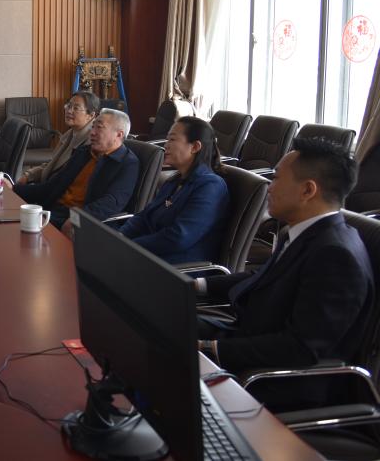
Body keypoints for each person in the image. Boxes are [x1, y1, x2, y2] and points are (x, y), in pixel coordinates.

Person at [196, 138, 373, 409]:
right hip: (251, 336)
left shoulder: (336, 255)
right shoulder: (307, 232)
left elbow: (299, 348)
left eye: (277, 178)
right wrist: (199, 285)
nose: (269, 186)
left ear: (307, 190)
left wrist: (210, 349)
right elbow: (264, 278)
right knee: (168, 317)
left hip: (278, 382)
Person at [119, 117, 229, 263]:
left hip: (179, 266)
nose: (166, 145)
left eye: (172, 139)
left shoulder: (210, 186)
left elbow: (178, 237)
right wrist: (120, 237)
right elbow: (144, 217)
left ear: (195, 147)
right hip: (152, 255)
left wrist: (132, 246)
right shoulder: (174, 181)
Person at [13, 109, 138, 232]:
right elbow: (53, 185)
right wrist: (14, 189)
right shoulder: (84, 152)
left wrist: (77, 218)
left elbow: (111, 203)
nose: (92, 133)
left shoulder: (127, 164)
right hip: (53, 211)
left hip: (81, 223)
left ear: (119, 134)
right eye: (93, 127)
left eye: (99, 128)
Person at [18, 91, 100, 184]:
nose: (69, 111)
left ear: (91, 115)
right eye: (68, 106)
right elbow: (51, 165)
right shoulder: (70, 133)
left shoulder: (90, 143)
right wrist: (28, 176)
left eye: (76, 108)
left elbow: (65, 179)